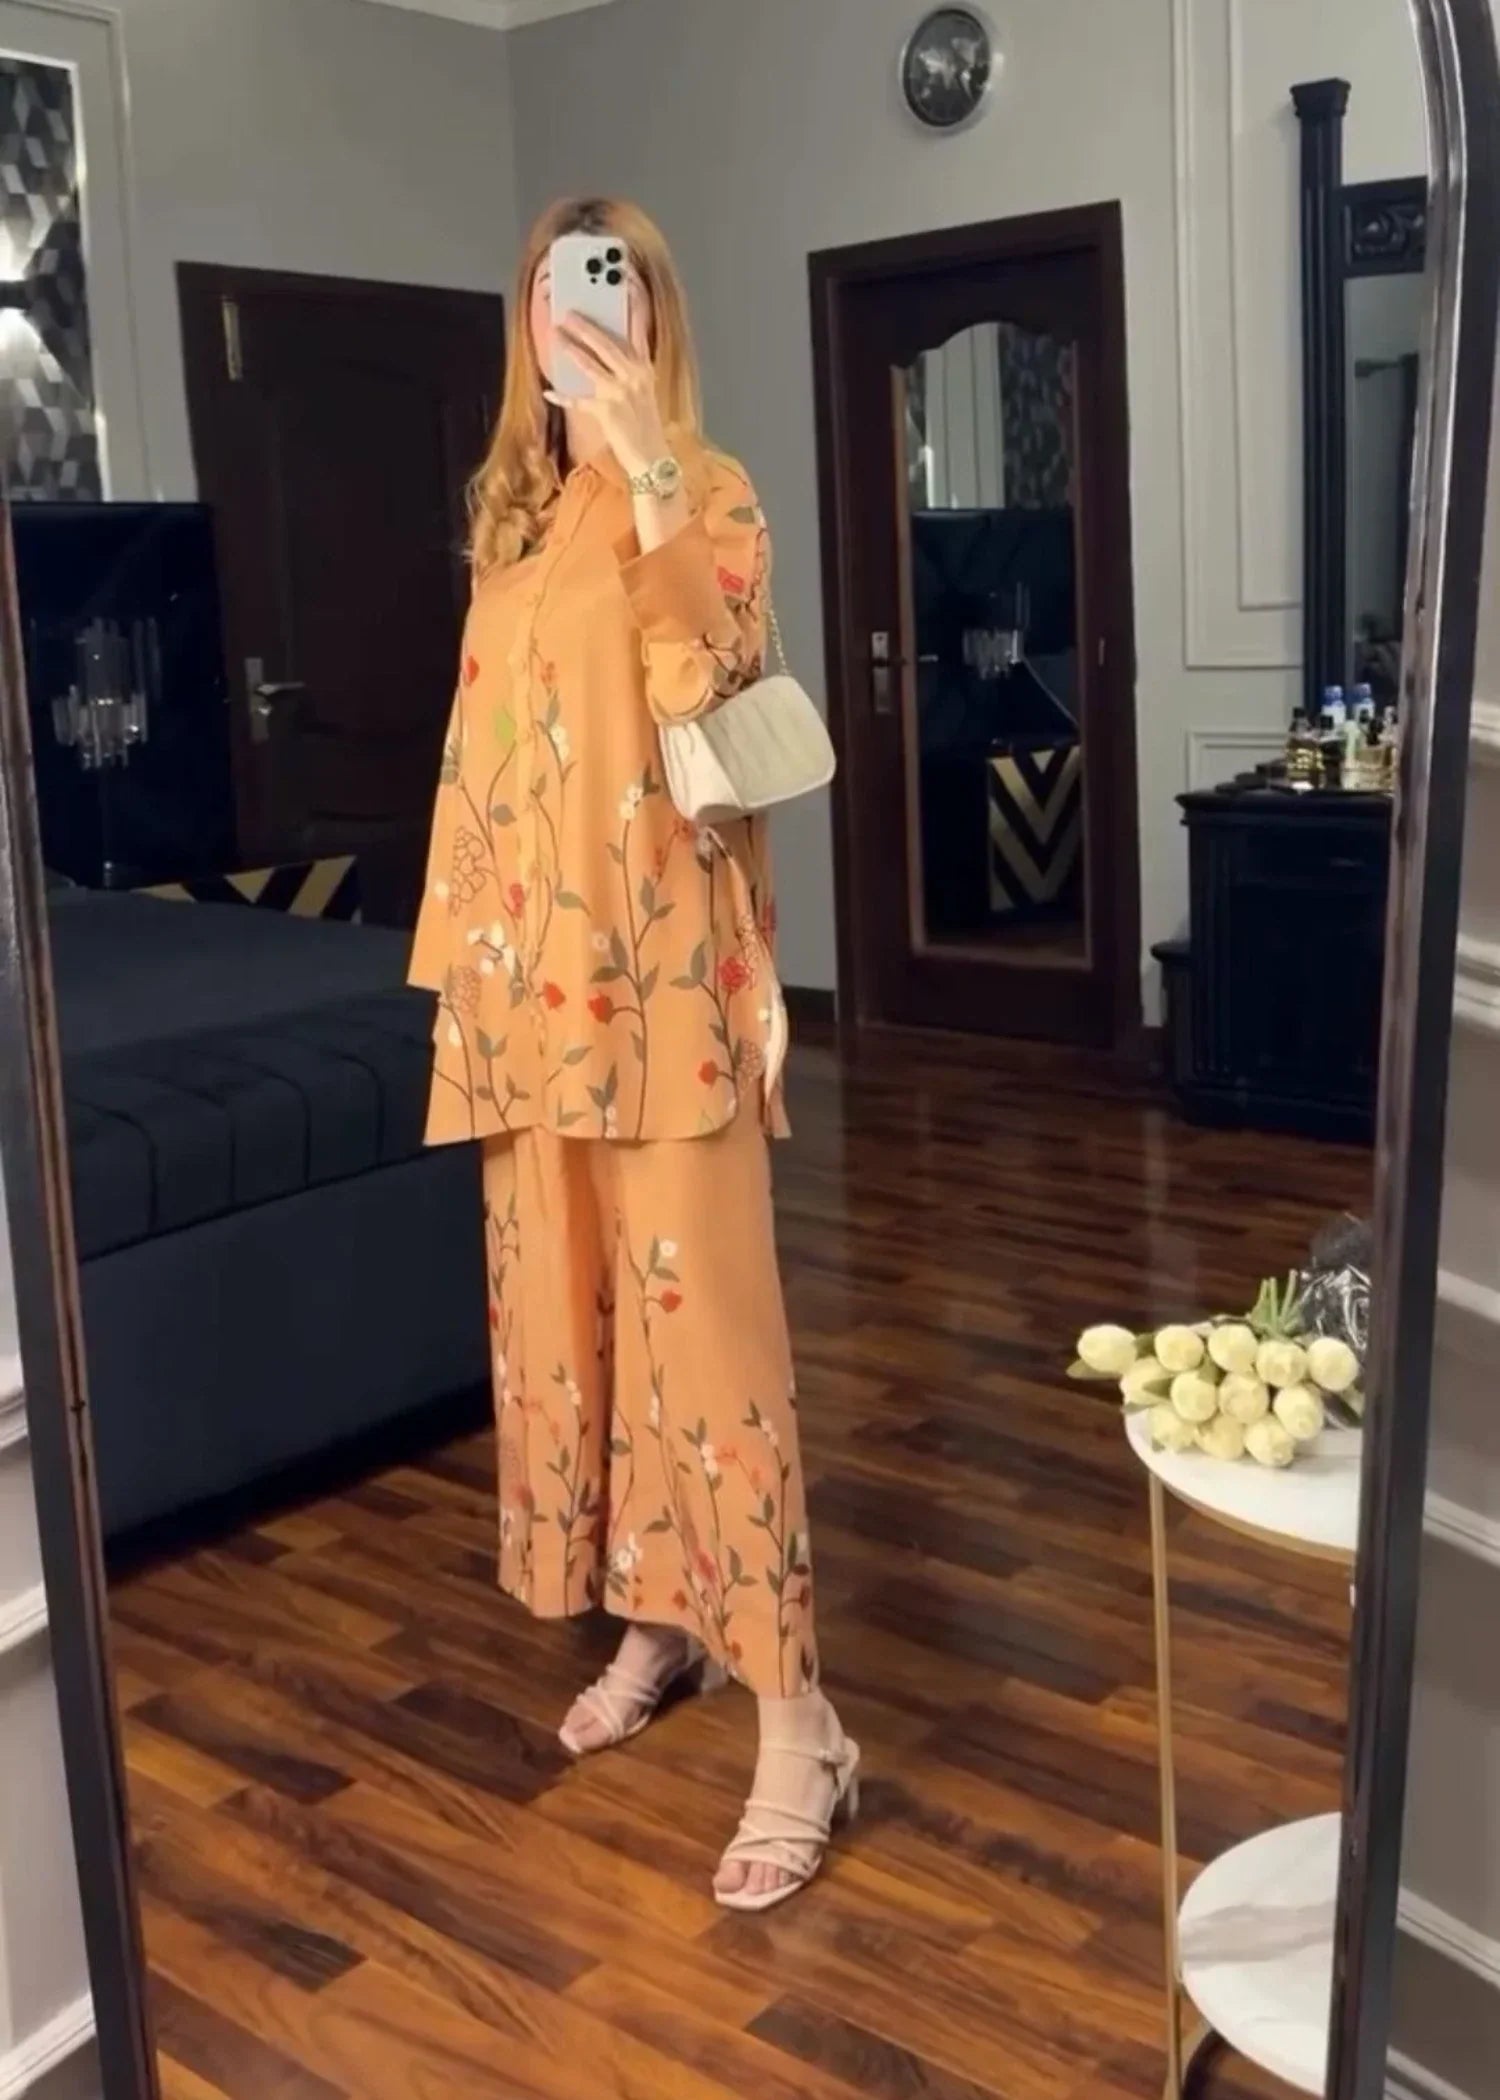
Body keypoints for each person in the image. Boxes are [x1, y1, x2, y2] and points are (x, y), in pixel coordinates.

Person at [408, 197, 856, 1910]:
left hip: (665, 994)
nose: (572, 310)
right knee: (580, 1330)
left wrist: (653, 469)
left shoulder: (711, 491)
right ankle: (661, 1621)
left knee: (712, 1348)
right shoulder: (512, 527)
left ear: (655, 313)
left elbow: (705, 699)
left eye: (606, 283)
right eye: (548, 286)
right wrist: (465, 977)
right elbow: (483, 770)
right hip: (531, 998)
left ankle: (802, 1722)